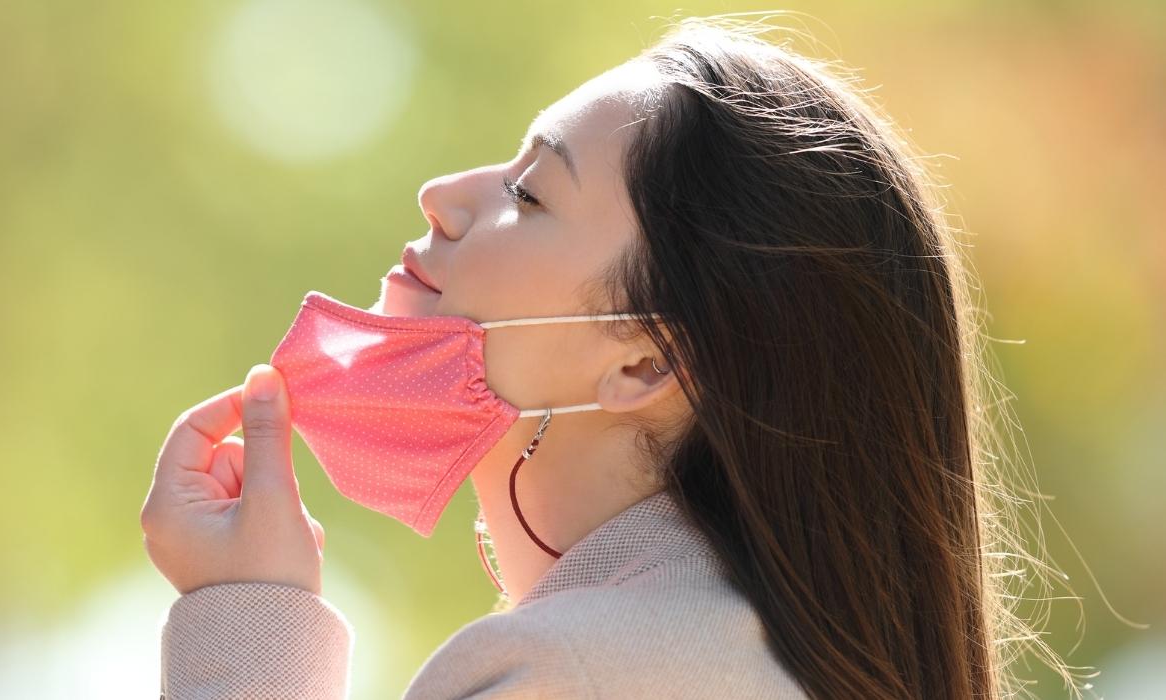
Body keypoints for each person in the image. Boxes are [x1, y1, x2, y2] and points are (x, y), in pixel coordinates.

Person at [141, 16, 1077, 699]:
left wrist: (247, 622)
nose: (442, 195)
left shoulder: (569, 673)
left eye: (531, 192)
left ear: (642, 364)